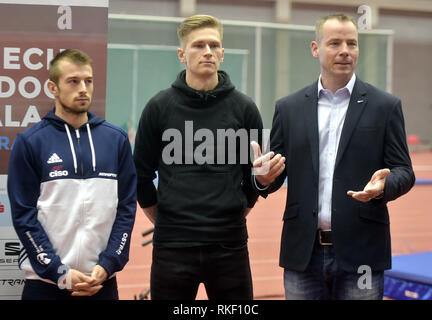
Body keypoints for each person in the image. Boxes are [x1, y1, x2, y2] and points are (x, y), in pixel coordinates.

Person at [252, 13, 415, 300]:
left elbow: (403, 170)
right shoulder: (288, 108)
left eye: (352, 43)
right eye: (335, 43)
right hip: (303, 254)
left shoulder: (385, 106)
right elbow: (275, 176)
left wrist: (383, 187)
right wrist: (263, 179)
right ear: (315, 48)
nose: (344, 51)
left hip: (363, 253)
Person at [133, 14, 263, 300]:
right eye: (198, 45)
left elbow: (252, 176)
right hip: (172, 247)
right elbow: (140, 174)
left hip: (230, 246)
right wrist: (165, 219)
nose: (207, 51)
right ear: (182, 54)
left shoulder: (244, 109)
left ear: (222, 53)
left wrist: (234, 213)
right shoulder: (158, 107)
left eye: (214, 45)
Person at [7, 49, 137, 300]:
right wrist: (58, 271)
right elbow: (24, 216)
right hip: (45, 284)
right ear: (53, 87)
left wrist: (108, 263)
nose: (83, 88)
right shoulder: (30, 142)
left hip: (101, 283)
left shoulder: (116, 140)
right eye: (73, 81)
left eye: (88, 81)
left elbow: (126, 208)